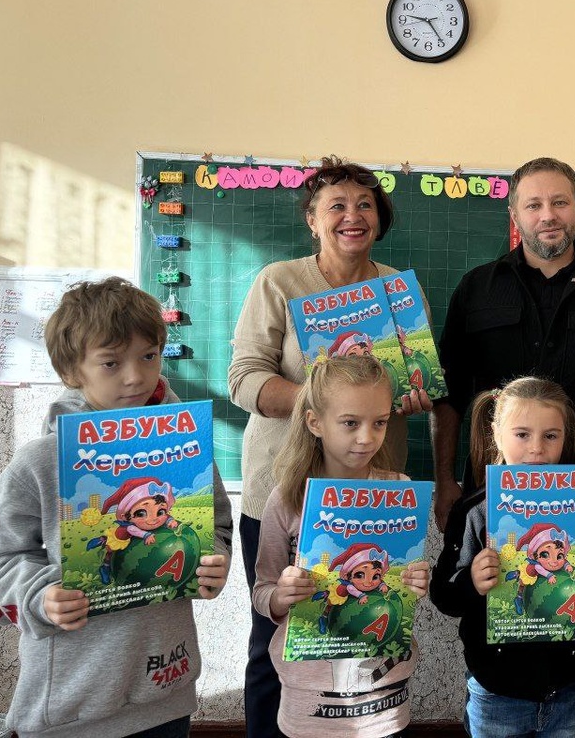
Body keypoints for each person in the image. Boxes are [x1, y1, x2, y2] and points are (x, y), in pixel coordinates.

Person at [432, 156, 575, 735]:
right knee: (502, 633)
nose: (548, 215)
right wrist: (444, 481)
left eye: (560, 202)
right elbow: (449, 396)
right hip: (495, 497)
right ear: (514, 214)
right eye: (533, 204)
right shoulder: (476, 289)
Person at [0, 277, 232, 738]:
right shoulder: (39, 461)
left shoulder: (187, 451)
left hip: (165, 692)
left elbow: (217, 526)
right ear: (73, 371)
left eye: (148, 356)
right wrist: (39, 596)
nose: (135, 377)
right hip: (72, 707)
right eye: (111, 363)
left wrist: (213, 561)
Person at [229, 156, 431, 737]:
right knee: (277, 636)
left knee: (364, 633)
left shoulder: (398, 291)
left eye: (365, 204)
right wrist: (328, 403)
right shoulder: (279, 281)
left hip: (373, 493)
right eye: (336, 205)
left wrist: (410, 395)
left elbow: (415, 380)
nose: (352, 215)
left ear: (380, 218)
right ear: (312, 220)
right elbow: (243, 379)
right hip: (284, 488)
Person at [251, 354, 429, 737]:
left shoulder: (399, 489)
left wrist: (415, 583)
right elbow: (263, 592)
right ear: (314, 422)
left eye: (379, 422)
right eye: (350, 423)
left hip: (384, 700)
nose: (367, 437)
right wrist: (281, 596)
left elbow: (404, 590)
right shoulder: (287, 499)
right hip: (308, 701)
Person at [430, 377, 575, 737]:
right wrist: (471, 582)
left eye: (551, 435)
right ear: (496, 434)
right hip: (497, 693)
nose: (537, 449)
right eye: (522, 434)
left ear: (565, 437)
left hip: (570, 689)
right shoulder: (474, 510)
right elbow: (444, 595)